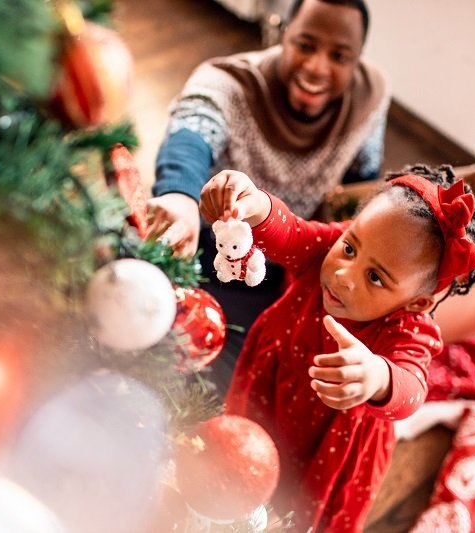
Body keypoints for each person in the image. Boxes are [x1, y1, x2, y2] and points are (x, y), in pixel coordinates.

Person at [198, 164, 475, 531]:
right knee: (240, 465)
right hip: (268, 391)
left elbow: (413, 388)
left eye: (375, 277)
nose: (342, 274)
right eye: (350, 247)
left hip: (328, 443)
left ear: (416, 303)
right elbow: (290, 234)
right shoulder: (331, 248)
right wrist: (253, 204)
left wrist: (377, 376)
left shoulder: (408, 327)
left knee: (292, 513)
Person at [146, 0, 390, 391]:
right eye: (305, 45)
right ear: (281, 35)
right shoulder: (228, 82)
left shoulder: (371, 94)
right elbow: (193, 128)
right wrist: (179, 196)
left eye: (340, 56)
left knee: (249, 376)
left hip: (280, 264)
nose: (316, 68)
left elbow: (362, 179)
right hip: (203, 246)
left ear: (358, 60)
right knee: (148, 326)